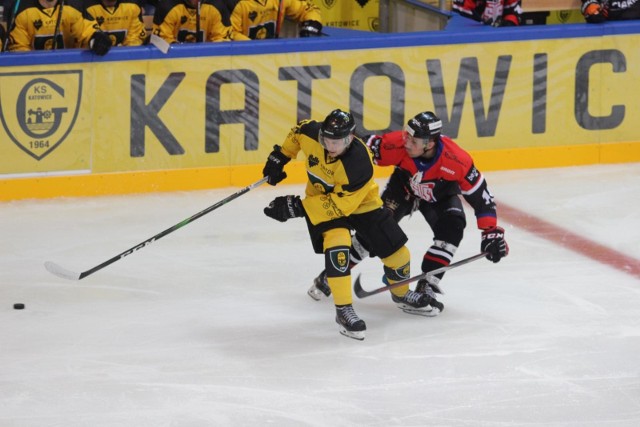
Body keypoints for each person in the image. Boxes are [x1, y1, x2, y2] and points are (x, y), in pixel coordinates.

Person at [261, 109, 438, 341]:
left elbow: (341, 206)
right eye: (327, 139)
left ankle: (402, 294)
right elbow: (297, 132)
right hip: (323, 201)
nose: (331, 146)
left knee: (399, 254)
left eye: (338, 141)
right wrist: (281, 157)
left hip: (361, 204)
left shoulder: (359, 163)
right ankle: (344, 309)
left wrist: (296, 207)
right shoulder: (311, 133)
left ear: (351, 138)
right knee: (338, 247)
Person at [308, 111, 509, 309]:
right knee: (373, 230)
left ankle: (428, 283)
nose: (406, 142)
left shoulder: (457, 160)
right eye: (407, 136)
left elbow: (481, 197)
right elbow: (358, 147)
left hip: (439, 196)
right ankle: (332, 273)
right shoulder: (396, 144)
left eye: (413, 141)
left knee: (453, 227)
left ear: (429, 144)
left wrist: (490, 232)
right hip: (402, 189)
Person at [6, 0, 112, 54]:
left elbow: (87, 29)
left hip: (70, 71)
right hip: (34, 73)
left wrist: (96, 39)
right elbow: (19, 48)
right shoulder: (21, 10)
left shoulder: (73, 5)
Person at [152, 0, 248, 44]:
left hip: (208, 62)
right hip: (173, 62)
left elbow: (222, 39)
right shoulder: (167, 6)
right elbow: (161, 41)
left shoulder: (217, 6)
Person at [225, 0, 322, 40]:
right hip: (239, 59)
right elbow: (228, 34)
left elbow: (308, 9)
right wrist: (254, 48)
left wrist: (311, 26)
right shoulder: (233, 3)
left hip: (272, 57)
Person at [452, 0, 522, 27]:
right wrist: (481, 25)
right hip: (471, 39)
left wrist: (507, 25)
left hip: (500, 39)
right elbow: (461, 20)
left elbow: (513, 14)